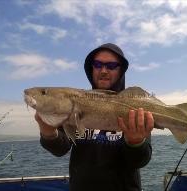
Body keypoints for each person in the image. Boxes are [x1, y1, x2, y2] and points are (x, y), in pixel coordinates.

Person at [35, 43, 154, 191]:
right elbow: (61, 149)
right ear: (91, 68)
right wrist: (48, 132)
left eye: (111, 65)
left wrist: (135, 142)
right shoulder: (72, 107)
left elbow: (140, 161)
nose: (103, 70)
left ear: (121, 70)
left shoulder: (135, 107)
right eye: (97, 64)